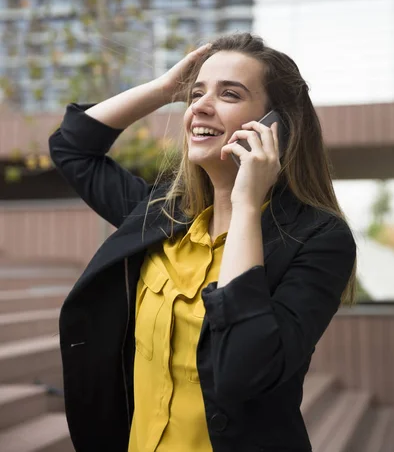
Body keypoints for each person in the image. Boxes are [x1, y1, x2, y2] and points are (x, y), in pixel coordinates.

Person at [49, 32, 357, 452]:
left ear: (276, 126)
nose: (199, 107)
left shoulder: (319, 239)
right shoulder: (160, 213)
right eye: (196, 94)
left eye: (229, 94)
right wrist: (164, 91)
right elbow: (72, 147)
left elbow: (243, 372)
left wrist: (246, 205)